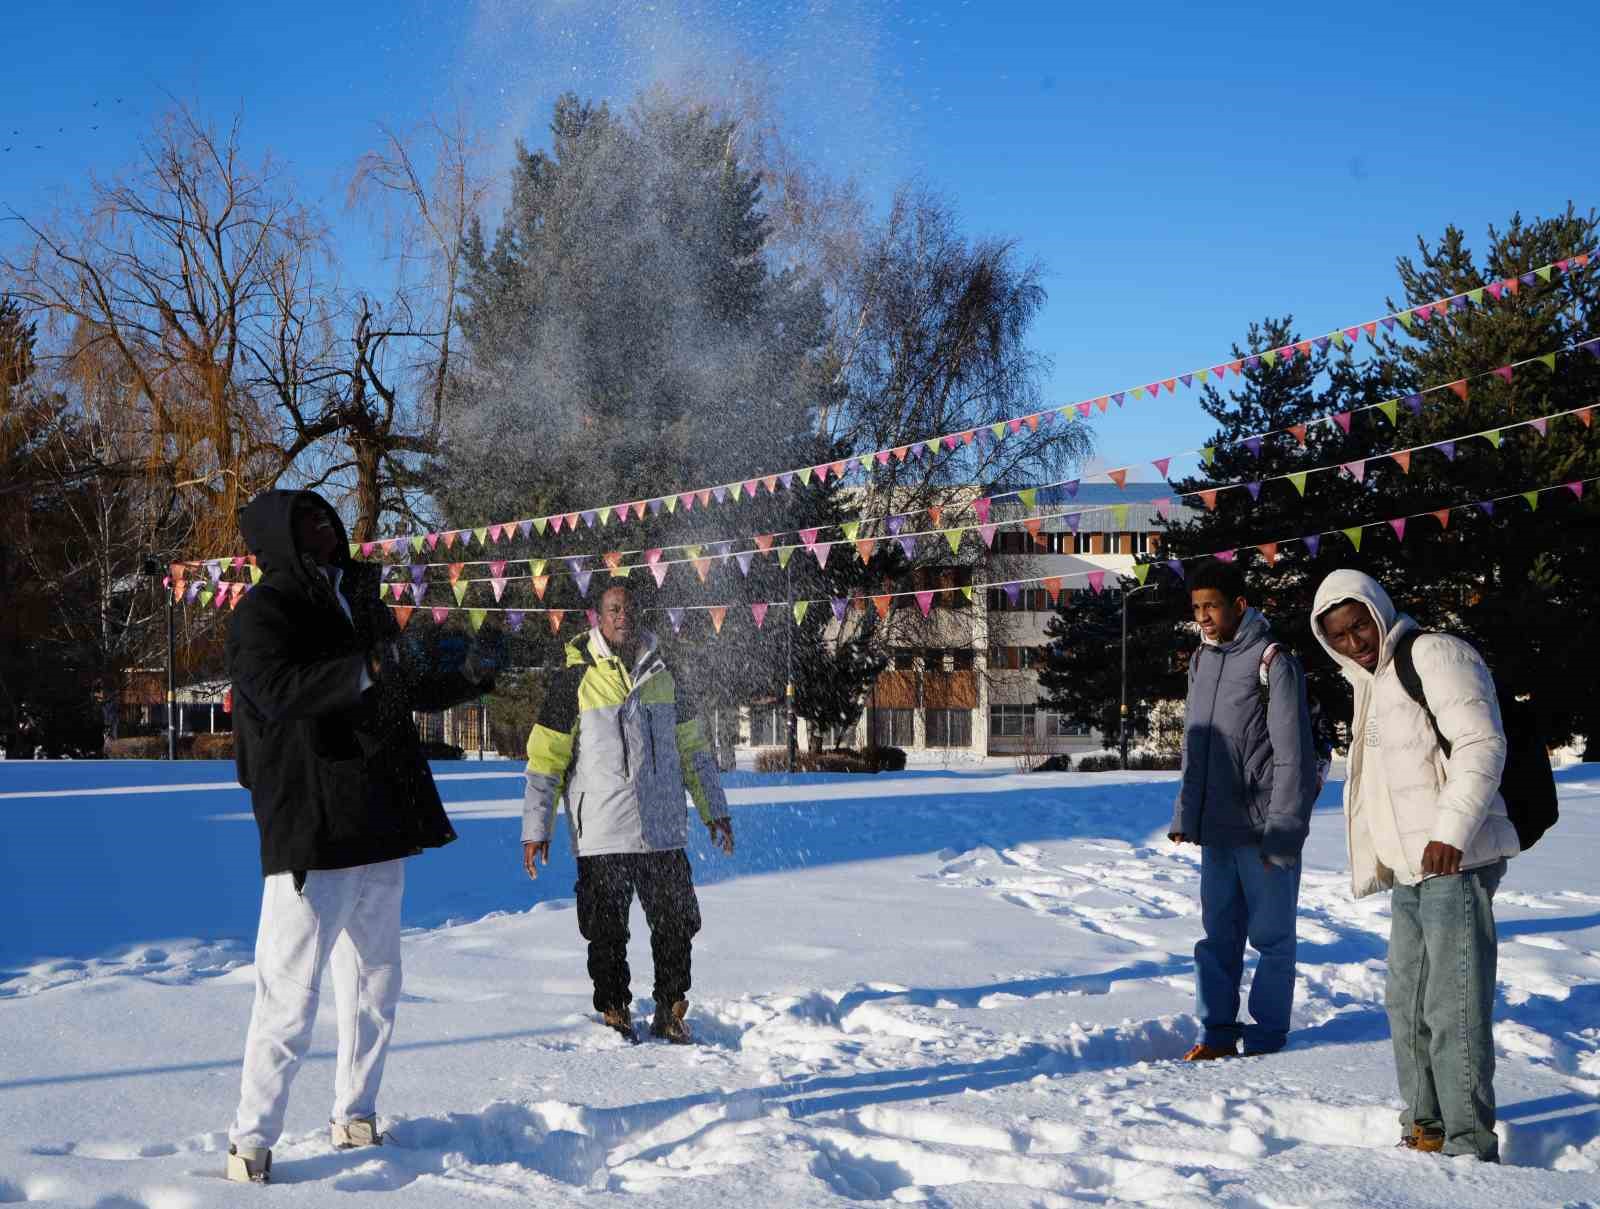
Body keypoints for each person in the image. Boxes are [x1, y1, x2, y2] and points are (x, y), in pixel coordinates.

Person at [222, 490, 493, 1184]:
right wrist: (364, 667)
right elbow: (276, 689)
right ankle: (250, 1141)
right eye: (309, 520)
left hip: (377, 818)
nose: (326, 527)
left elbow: (402, 685)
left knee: (376, 984)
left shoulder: (359, 600)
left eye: (327, 518)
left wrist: (470, 673)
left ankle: (356, 1113)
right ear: (280, 537)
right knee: (289, 994)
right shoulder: (264, 612)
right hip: (312, 826)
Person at [1312, 569, 1516, 1161]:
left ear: (1379, 610)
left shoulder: (1434, 653)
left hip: (1456, 859)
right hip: (1411, 868)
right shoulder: (1368, 681)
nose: (1355, 642)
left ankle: (1468, 1142)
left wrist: (1450, 831)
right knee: (1408, 1001)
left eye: (1360, 626)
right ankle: (1423, 1125)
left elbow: (1481, 744)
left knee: (1453, 1005)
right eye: (1340, 635)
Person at [522, 581, 734, 1044]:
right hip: (601, 830)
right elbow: (545, 761)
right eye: (614, 608)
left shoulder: (666, 673)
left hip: (662, 830)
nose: (623, 616)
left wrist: (714, 809)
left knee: (677, 922)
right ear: (597, 617)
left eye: (630, 608)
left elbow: (695, 749)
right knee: (605, 931)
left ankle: (670, 1006)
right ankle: (615, 1008)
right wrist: (536, 828)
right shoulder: (573, 679)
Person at [1170, 558, 1319, 1061]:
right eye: (1196, 608)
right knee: (1217, 939)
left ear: (1239, 604)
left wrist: (1283, 831)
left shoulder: (1274, 660)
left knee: (1272, 938)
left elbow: (1293, 753)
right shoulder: (1201, 660)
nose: (1204, 617)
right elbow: (1195, 748)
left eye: (1212, 606)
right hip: (1216, 831)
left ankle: (1267, 1036)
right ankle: (1215, 1033)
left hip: (1262, 831)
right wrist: (1185, 815)